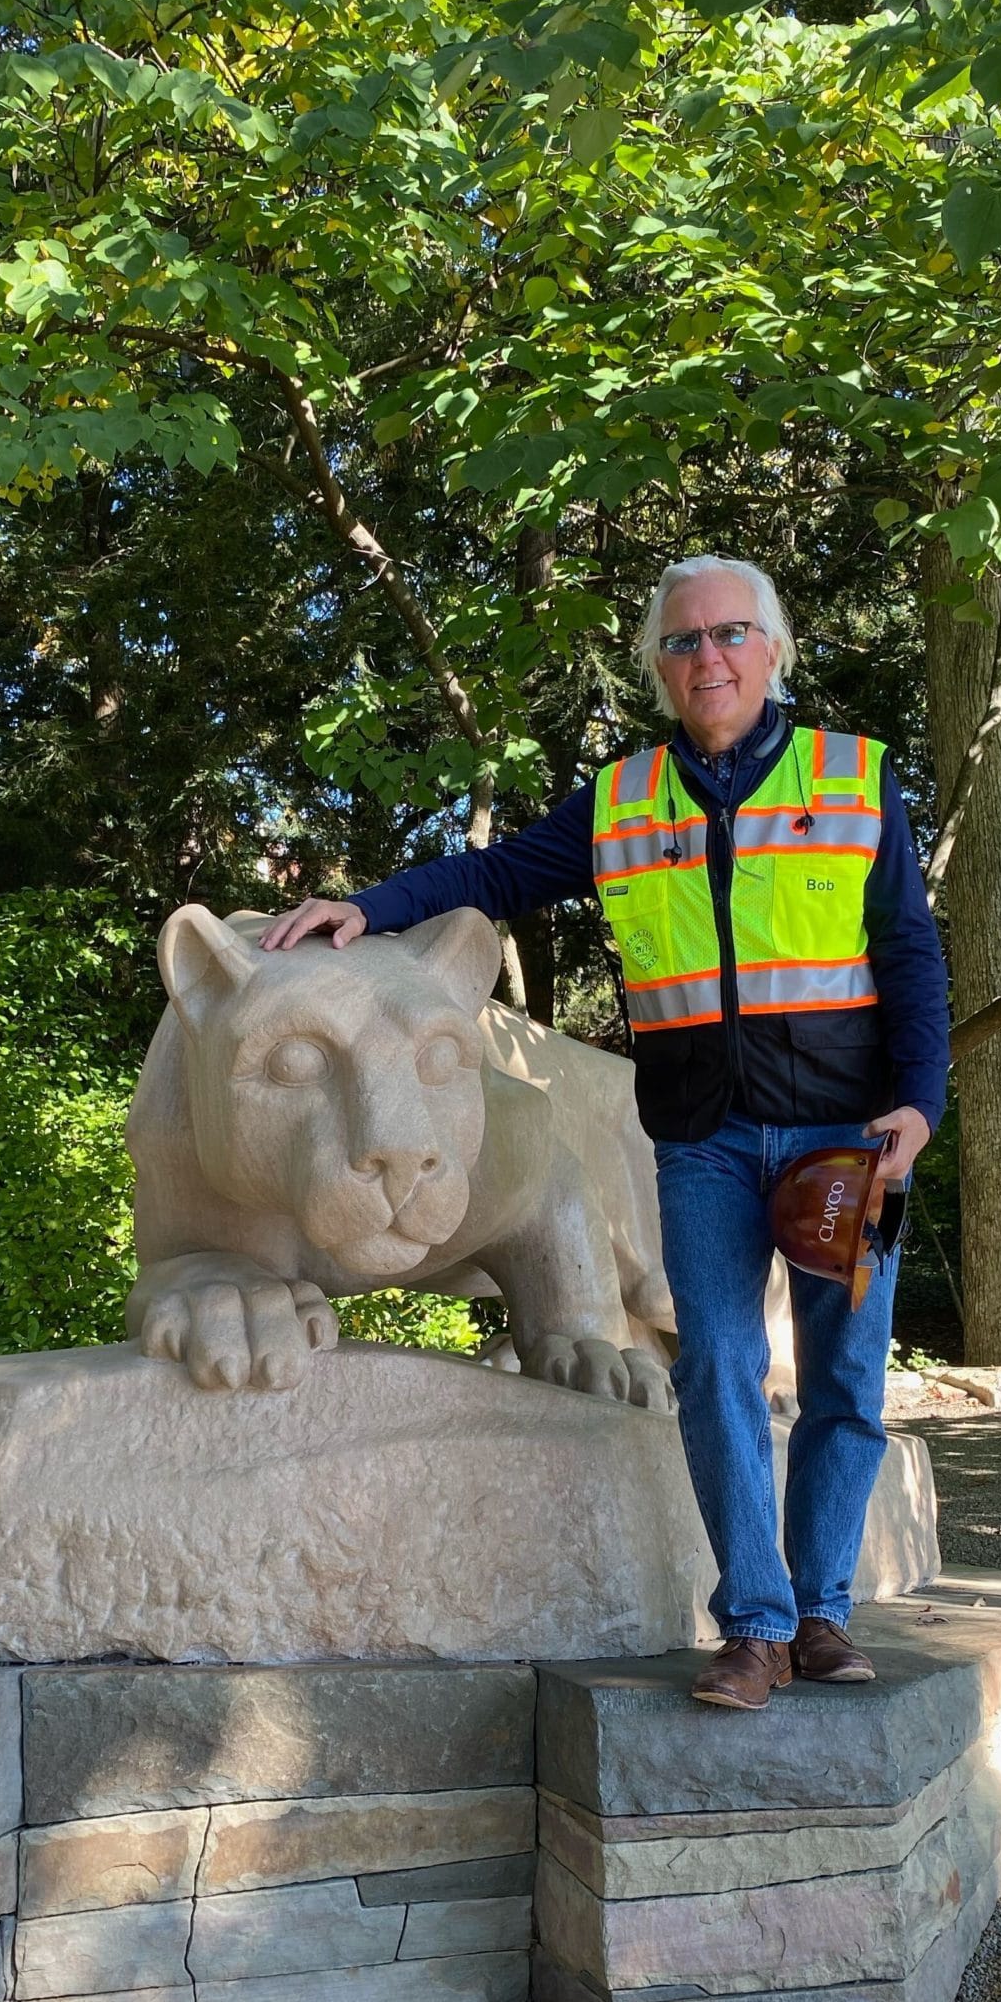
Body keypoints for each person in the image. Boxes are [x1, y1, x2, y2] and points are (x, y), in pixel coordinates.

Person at [260, 555, 950, 1713]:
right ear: (658, 666)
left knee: (842, 1379)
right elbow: (496, 872)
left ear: (774, 650)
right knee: (716, 1368)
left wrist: (920, 1105)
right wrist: (367, 907)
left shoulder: (854, 779)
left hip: (849, 1138)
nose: (708, 657)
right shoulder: (626, 800)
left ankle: (824, 1613)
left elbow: (913, 956)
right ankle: (757, 1626)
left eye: (729, 634)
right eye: (683, 642)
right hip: (702, 1141)